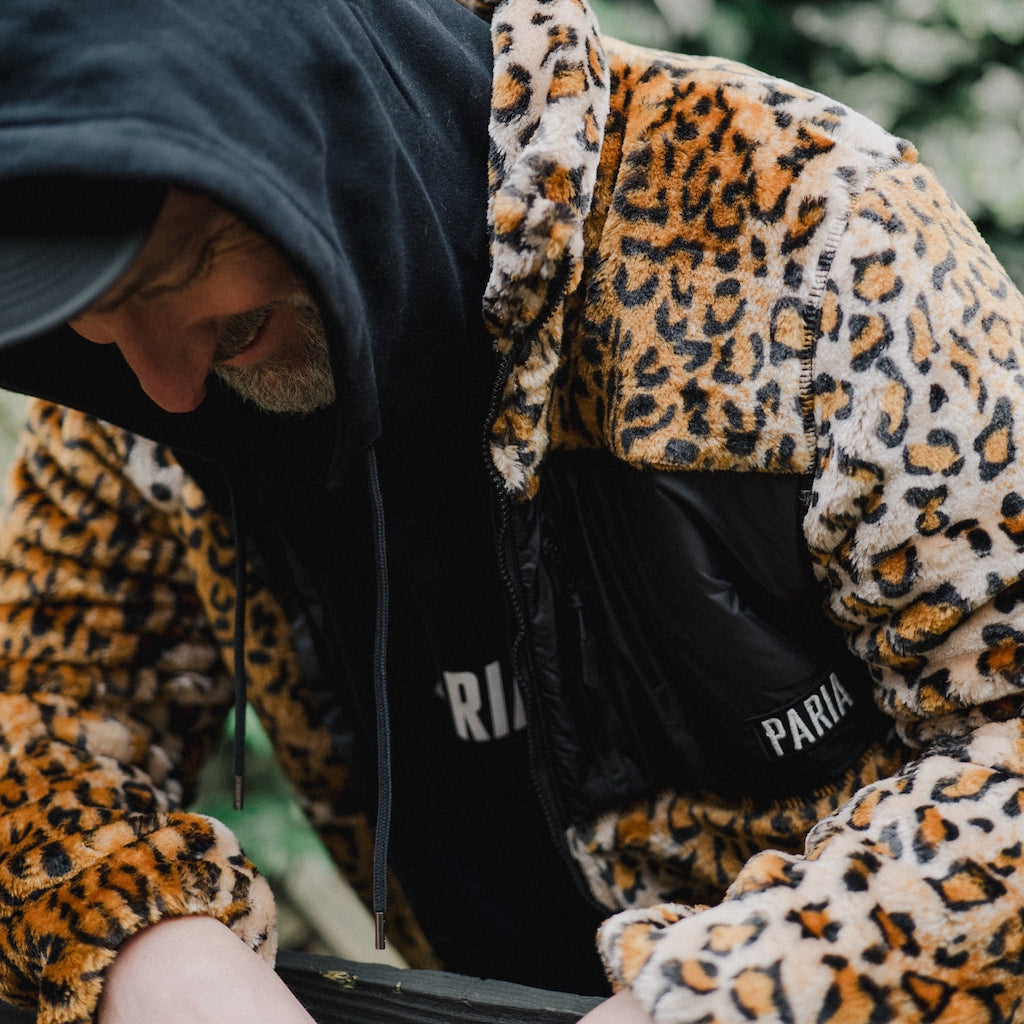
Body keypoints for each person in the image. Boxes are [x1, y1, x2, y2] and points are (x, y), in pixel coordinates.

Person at [0, 0, 1022, 1022]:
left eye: (180, 277)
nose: (164, 385)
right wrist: (155, 952)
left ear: (322, 121)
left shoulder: (802, 223)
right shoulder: (142, 406)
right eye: (96, 323)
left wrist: (721, 1001)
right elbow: (30, 721)